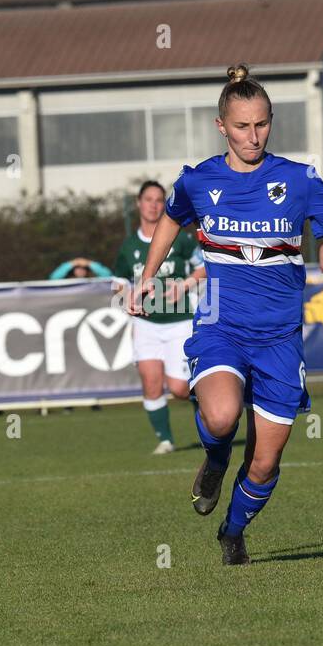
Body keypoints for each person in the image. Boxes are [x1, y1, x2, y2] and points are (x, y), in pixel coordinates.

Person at [128, 64, 323, 565]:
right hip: (220, 324)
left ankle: (232, 531)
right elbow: (171, 216)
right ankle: (213, 458)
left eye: (262, 124)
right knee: (222, 414)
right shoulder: (198, 179)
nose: (253, 136)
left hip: (279, 336)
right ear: (221, 127)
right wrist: (149, 275)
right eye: (242, 126)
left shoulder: (298, 179)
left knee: (265, 460)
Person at [112, 181, 206, 455]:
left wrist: (184, 285)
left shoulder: (180, 238)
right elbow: (118, 282)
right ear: (138, 204)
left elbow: (205, 268)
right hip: (146, 325)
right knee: (151, 382)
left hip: (180, 321)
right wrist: (126, 298)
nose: (153, 205)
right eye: (148, 199)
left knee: (179, 388)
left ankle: (213, 421)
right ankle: (165, 440)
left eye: (158, 200)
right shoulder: (129, 246)